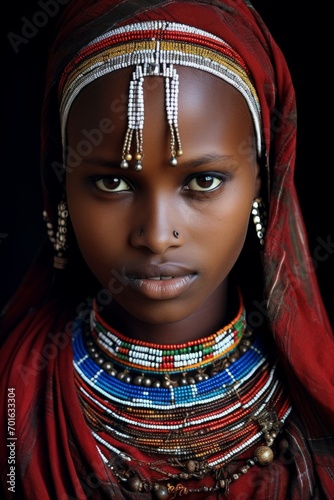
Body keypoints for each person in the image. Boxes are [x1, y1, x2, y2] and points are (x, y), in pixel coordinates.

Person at [1, 0, 333, 498]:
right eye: (112, 182)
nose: (156, 236)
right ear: (61, 188)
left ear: (262, 190)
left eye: (203, 180)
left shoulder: (316, 403)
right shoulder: (15, 397)